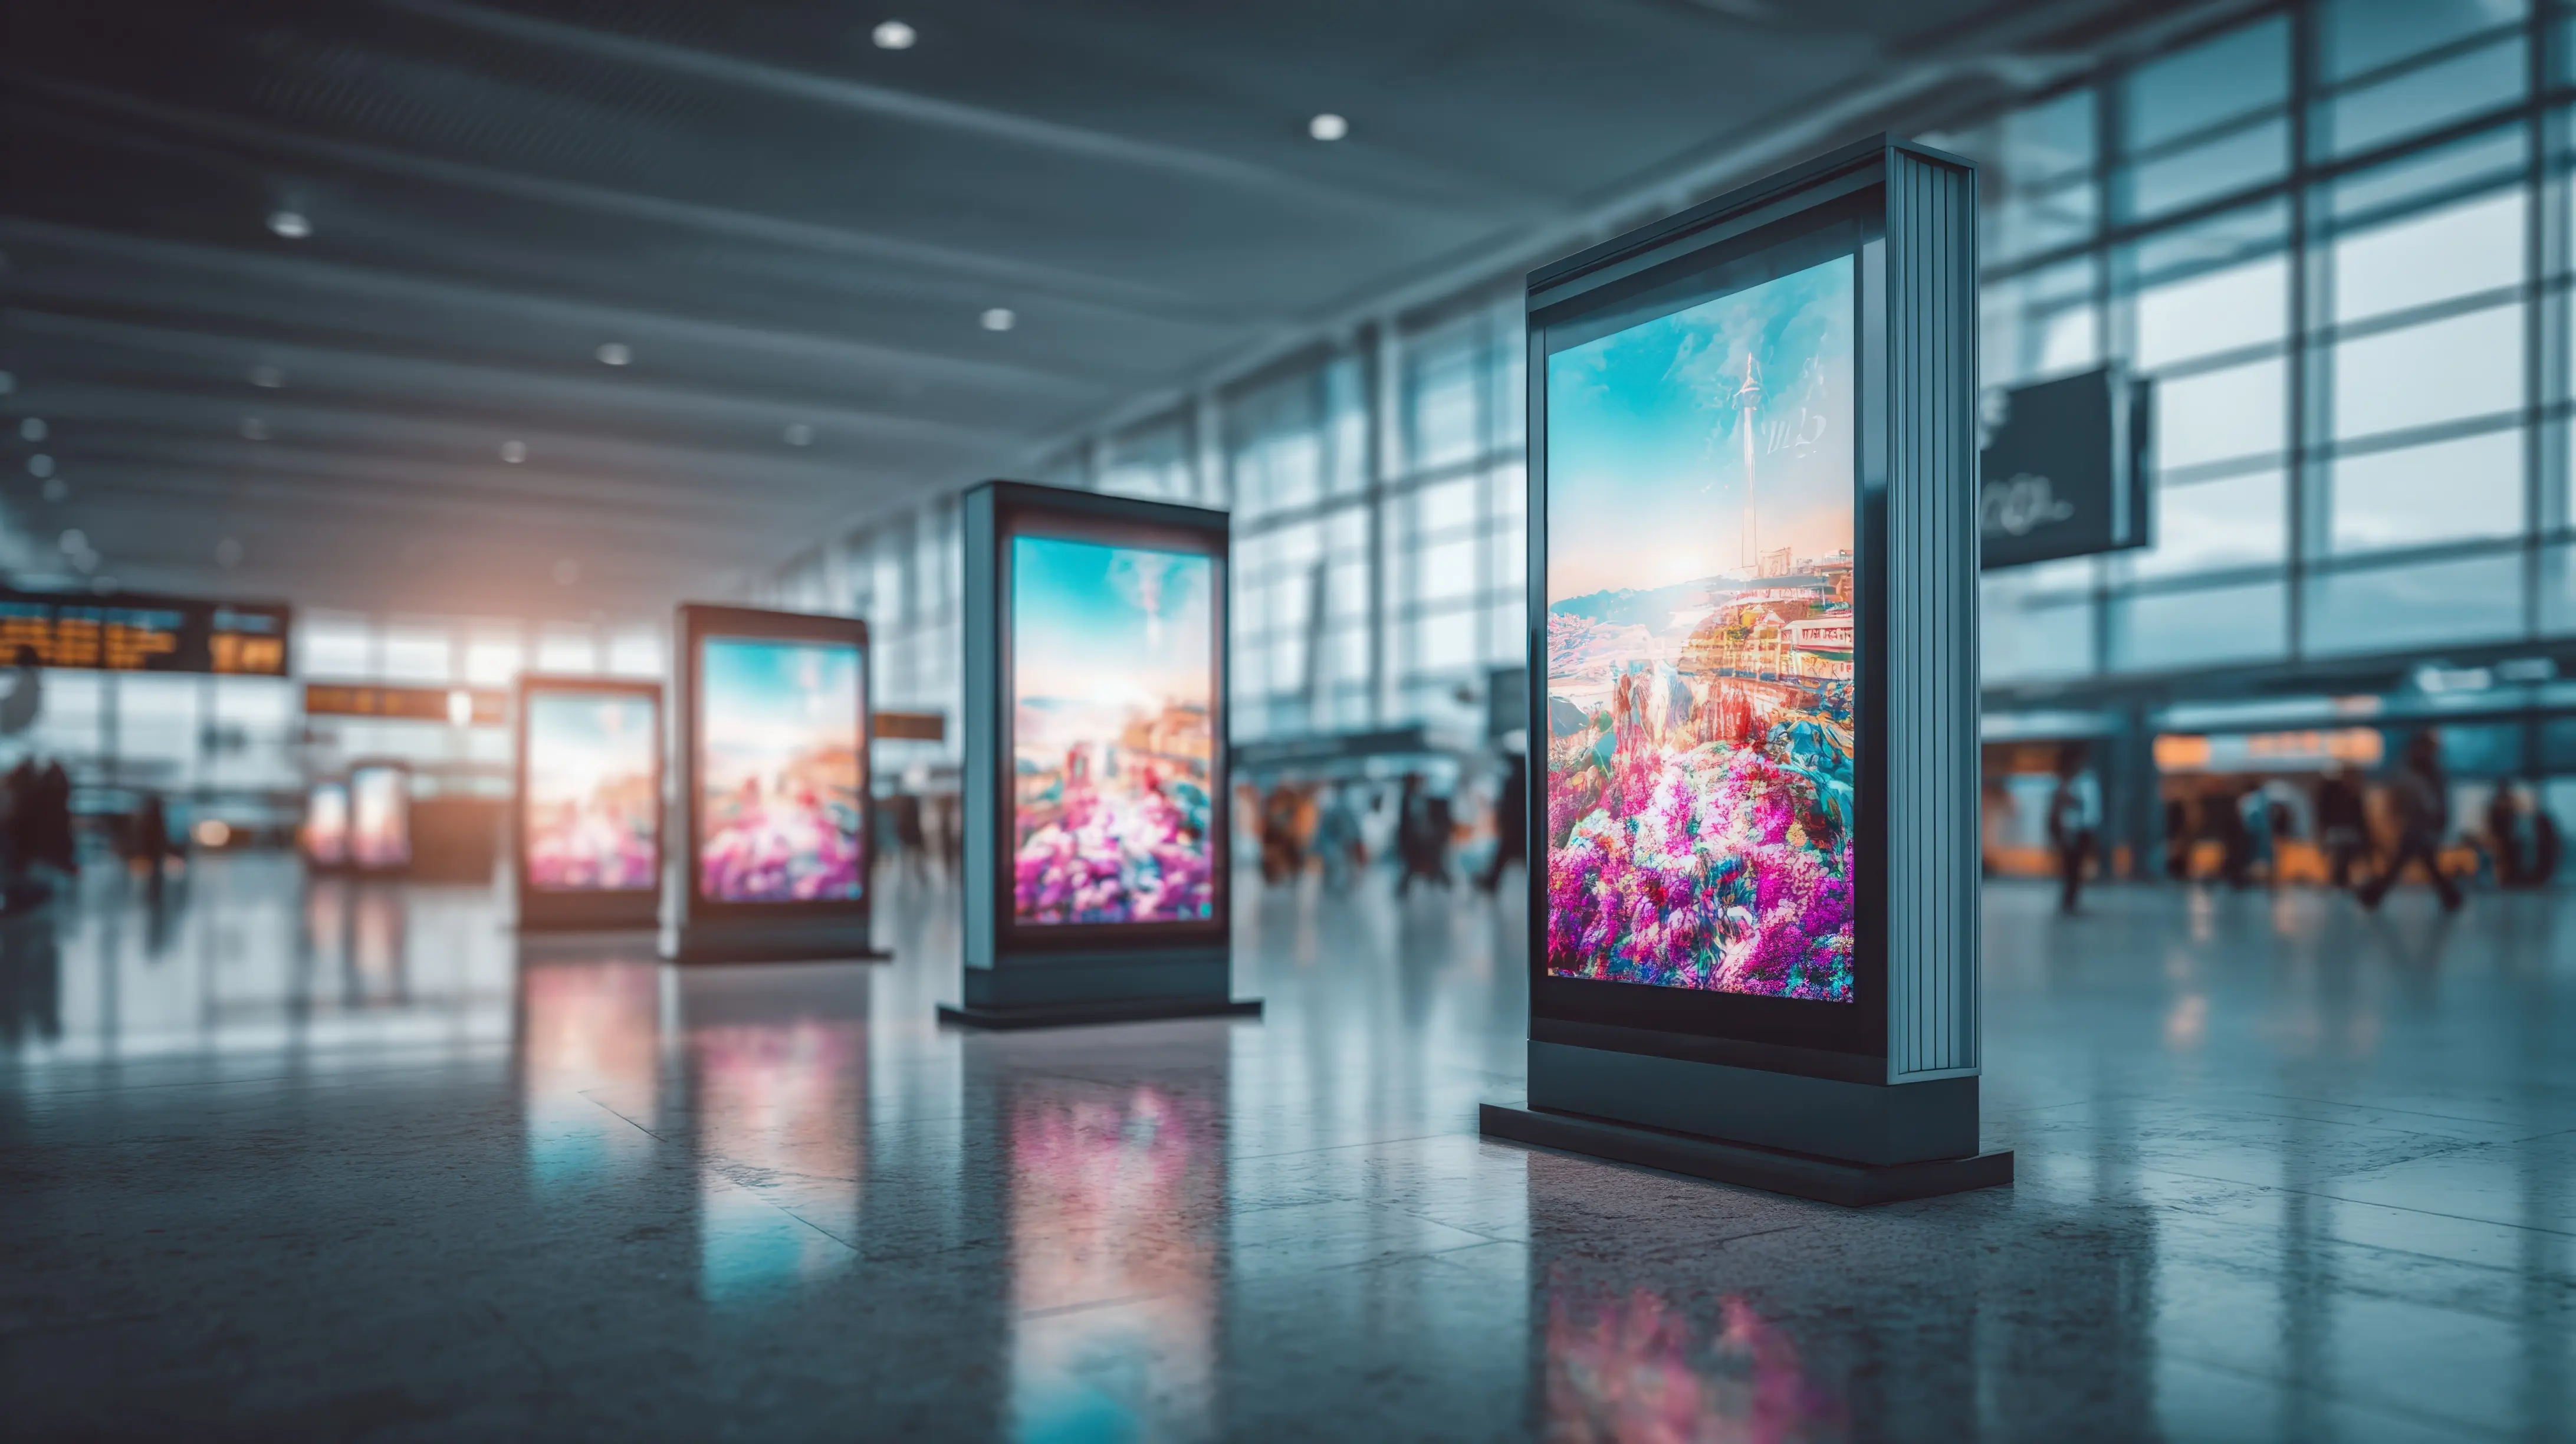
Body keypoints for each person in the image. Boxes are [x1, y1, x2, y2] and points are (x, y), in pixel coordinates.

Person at [2358, 732, 2462, 914]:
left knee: (2405, 864)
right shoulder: (2416, 772)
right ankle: (2450, 897)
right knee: (2416, 864)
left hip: (2421, 828)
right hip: (2416, 827)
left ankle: (2373, 894)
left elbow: (2434, 804)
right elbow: (2403, 802)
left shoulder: (2426, 773)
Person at [2044, 750, 2097, 914]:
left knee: (2075, 868)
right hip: (2073, 830)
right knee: (2072, 868)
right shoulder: (2072, 785)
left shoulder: (2081, 782)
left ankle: (2071, 901)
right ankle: (2069, 901)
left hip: (2078, 830)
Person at [1477, 753, 1527, 894]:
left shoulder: (1513, 781)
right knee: (1508, 857)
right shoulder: (1523, 780)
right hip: (1520, 828)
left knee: (1503, 857)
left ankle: (1491, 882)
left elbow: (1507, 806)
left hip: (1514, 828)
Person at [2317, 767, 2367, 890]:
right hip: (2339, 832)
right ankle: (2339, 879)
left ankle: (2340, 879)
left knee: (2343, 857)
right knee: (2340, 856)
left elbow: (2359, 818)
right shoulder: (2333, 793)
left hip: (2347, 833)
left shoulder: (2352, 794)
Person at [1310, 783, 1361, 892]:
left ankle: (1335, 891)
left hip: (1334, 847)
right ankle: (1335, 892)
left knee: (1335, 871)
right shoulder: (1339, 808)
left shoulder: (1335, 808)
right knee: (1336, 871)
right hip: (1335, 848)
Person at [2484, 784, 2526, 888]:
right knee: (2502, 859)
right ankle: (2506, 879)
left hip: (2509, 837)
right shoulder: (2498, 805)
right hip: (2502, 838)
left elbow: (2516, 817)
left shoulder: (2506, 804)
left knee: (2509, 859)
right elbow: (2492, 822)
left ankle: (2510, 878)